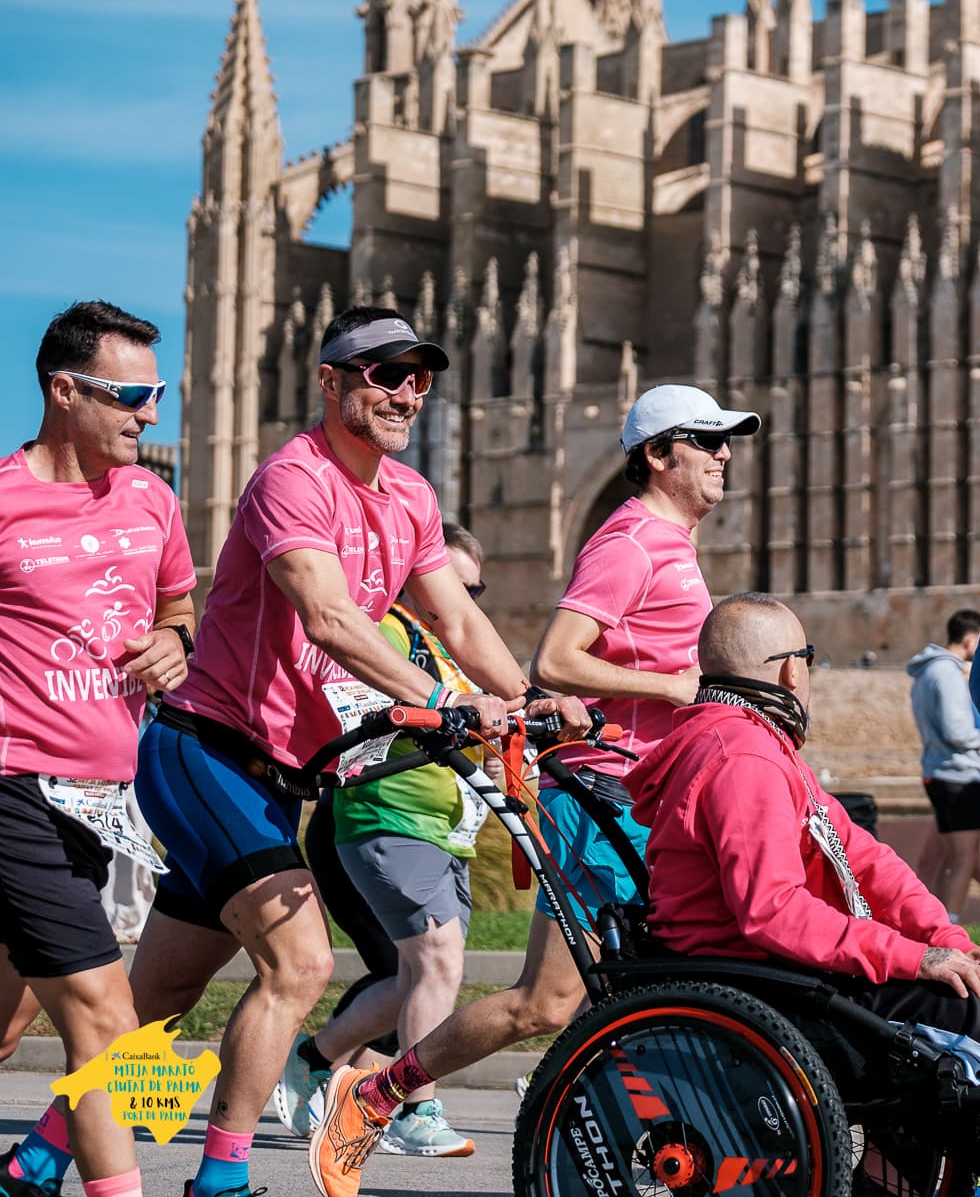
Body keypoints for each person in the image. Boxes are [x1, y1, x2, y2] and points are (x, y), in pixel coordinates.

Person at [20, 304, 591, 1197]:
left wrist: (525, 699)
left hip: (281, 776)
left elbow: (457, 616)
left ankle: (41, 1154)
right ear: (331, 381)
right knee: (301, 966)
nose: (406, 392)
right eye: (382, 373)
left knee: (160, 1000)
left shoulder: (411, 497)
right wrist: (443, 701)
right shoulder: (294, 478)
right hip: (205, 751)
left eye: (419, 377)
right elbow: (330, 619)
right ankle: (221, 1179)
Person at [307, 383, 760, 1197]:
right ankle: (375, 1093)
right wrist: (680, 690)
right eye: (707, 439)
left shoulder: (675, 545)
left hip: (652, 800)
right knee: (543, 1004)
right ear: (659, 455)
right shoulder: (629, 541)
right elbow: (558, 660)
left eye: (727, 440)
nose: (725, 453)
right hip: (602, 800)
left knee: (668, 985)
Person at [634, 593, 980, 1087]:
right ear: (790, 673)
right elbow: (773, 910)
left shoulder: (757, 744)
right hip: (751, 985)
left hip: (764, 975)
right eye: (807, 659)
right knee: (960, 1014)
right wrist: (914, 956)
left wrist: (945, 938)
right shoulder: (744, 759)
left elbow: (863, 857)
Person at [0, 301, 196, 1197]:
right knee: (106, 1017)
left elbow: (178, 610)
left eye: (157, 393)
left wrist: (176, 640)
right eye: (130, 394)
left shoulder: (154, 498)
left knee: (6, 1030)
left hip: (103, 800)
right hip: (14, 786)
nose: (150, 413)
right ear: (64, 390)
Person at [281, 523, 498, 1156]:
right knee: (436, 963)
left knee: (416, 977)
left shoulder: (451, 645)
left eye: (475, 590)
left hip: (445, 831)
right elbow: (368, 706)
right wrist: (453, 706)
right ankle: (413, 1108)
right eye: (453, 585)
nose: (464, 600)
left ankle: (317, 1059)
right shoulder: (387, 630)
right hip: (387, 818)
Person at [907, 609, 980, 922]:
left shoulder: (926, 672)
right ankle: (948, 927)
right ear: (970, 639)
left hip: (939, 771)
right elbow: (955, 728)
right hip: (959, 775)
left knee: (969, 858)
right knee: (964, 858)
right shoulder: (948, 673)